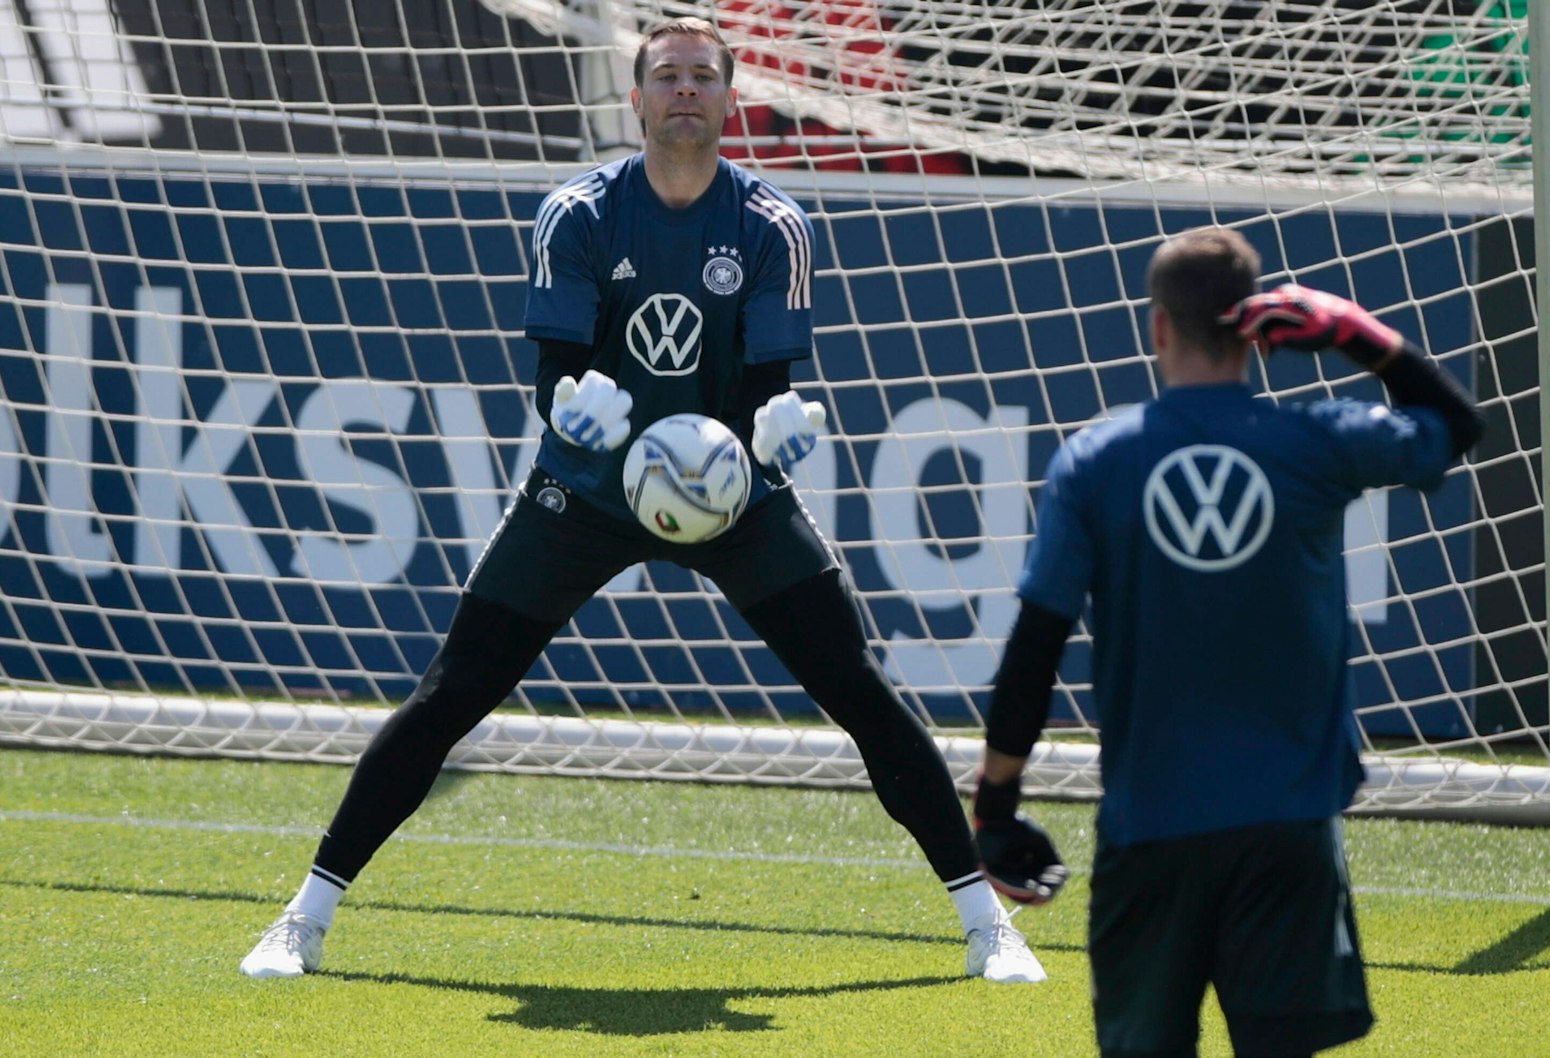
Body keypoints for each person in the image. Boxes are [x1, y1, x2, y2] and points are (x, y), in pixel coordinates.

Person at [241, 17, 1044, 985]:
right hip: (583, 492)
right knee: (454, 689)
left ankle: (986, 926)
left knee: (856, 688)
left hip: (732, 493)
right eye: (667, 76)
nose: (685, 91)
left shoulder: (771, 225)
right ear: (638, 98)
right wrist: (571, 412)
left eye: (702, 76)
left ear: (730, 95)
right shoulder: (577, 212)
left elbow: (763, 384)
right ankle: (304, 915)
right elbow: (555, 372)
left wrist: (774, 425)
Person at [971, 226, 1485, 1056]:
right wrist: (1358, 333)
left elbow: (1037, 642)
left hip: (1151, 832)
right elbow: (1457, 424)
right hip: (1289, 831)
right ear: (1259, 331)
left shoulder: (1095, 461)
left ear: (1158, 327)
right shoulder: (1315, 442)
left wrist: (995, 803)